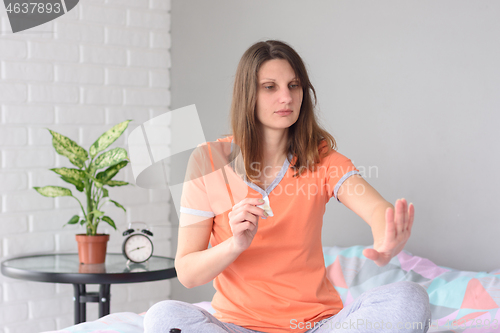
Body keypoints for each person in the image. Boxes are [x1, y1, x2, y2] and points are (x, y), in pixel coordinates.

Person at [144, 40, 431, 333]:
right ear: (248, 95)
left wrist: (386, 238)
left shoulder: (322, 159)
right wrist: (235, 245)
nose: (286, 97)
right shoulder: (208, 160)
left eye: (294, 86)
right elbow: (188, 274)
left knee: (409, 298)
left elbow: (376, 209)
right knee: (163, 316)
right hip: (236, 327)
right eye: (270, 87)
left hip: (318, 327)